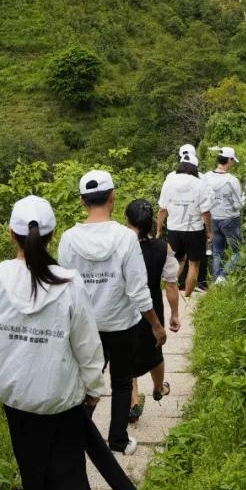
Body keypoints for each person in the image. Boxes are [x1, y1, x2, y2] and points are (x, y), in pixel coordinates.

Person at [0, 195, 107, 490]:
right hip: (61, 399)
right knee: (69, 479)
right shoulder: (70, 284)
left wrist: (16, 350)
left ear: (10, 234)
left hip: (17, 400)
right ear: (52, 235)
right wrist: (94, 388)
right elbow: (87, 346)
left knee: (35, 475)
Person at [58, 170, 168, 455]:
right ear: (112, 198)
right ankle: (118, 440)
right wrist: (156, 325)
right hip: (121, 324)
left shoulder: (69, 239)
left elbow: (64, 288)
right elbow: (137, 289)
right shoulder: (125, 238)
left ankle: (76, 438)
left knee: (84, 382)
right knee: (121, 382)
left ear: (83, 201)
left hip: (85, 326)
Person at [123, 199, 181, 424]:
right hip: (152, 307)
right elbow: (171, 283)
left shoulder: (121, 246)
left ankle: (132, 403)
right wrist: (175, 314)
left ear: (127, 220)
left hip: (125, 307)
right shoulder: (162, 247)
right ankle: (158, 389)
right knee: (155, 350)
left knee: (126, 354)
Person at [156, 144, 212, 304]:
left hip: (174, 228)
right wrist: (209, 231)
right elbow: (206, 211)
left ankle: (171, 292)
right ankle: (187, 297)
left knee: (177, 262)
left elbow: (162, 209)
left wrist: (159, 230)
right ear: (195, 168)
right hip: (194, 229)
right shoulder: (199, 182)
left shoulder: (170, 180)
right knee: (194, 264)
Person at [203, 146, 245, 283]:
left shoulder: (206, 177)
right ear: (229, 160)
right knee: (238, 251)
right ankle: (223, 276)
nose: (233, 163)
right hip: (230, 219)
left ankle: (216, 280)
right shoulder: (232, 180)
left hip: (213, 219)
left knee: (217, 252)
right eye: (233, 160)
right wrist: (245, 197)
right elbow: (238, 204)